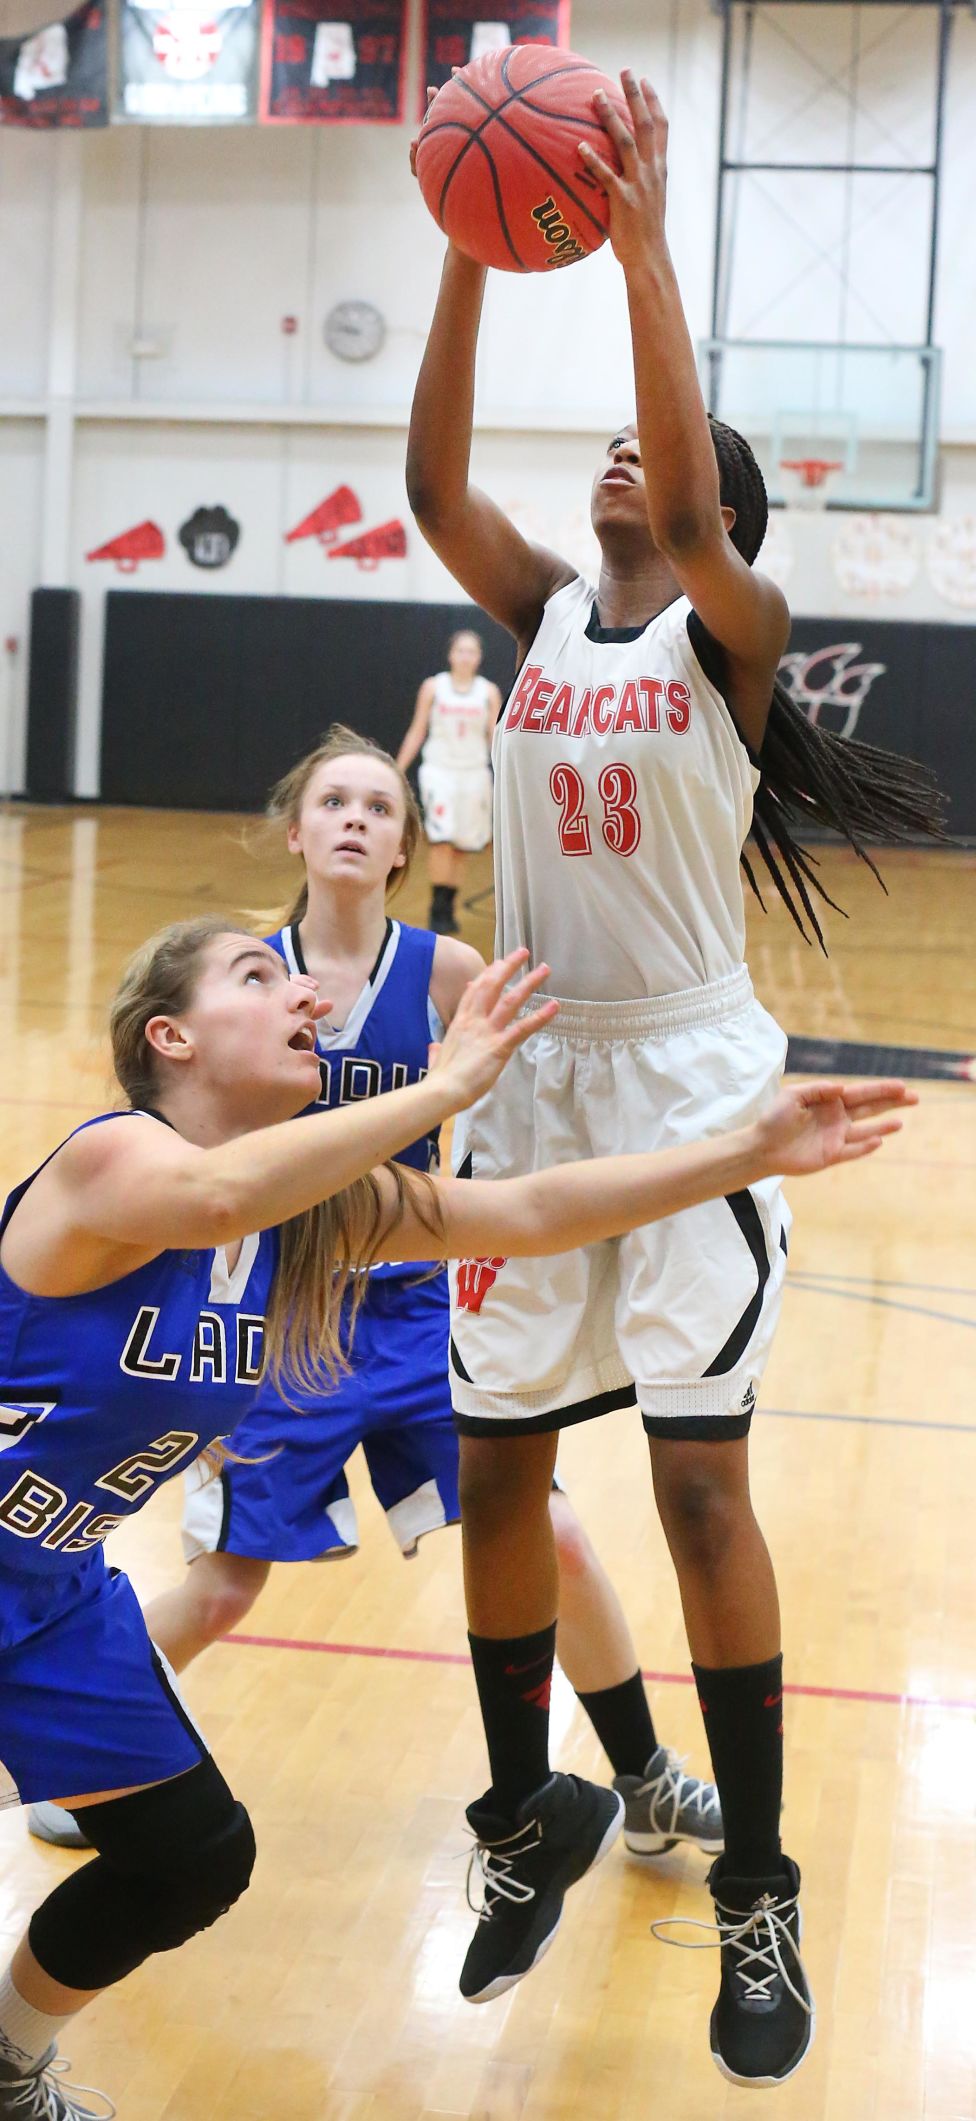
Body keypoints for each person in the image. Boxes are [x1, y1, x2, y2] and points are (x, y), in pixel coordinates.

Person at [0, 913, 909, 2117]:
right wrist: (443, 1083)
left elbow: (530, 1214)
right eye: (256, 977)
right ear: (169, 1036)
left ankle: (6, 2065)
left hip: (56, 1592)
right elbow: (215, 1195)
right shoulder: (112, 1161)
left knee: (191, 1856)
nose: (304, 1001)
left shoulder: (307, 1211)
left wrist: (746, 1151)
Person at [406, 70, 941, 2084]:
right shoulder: (539, 608)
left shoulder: (732, 621)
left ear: (705, 497)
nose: (621, 457)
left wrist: (635, 245)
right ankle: (522, 1810)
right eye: (613, 445)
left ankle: (761, 1882)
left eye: (656, 447)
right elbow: (430, 480)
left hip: (691, 1094)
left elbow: (702, 509)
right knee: (497, 1468)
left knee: (697, 1480)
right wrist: (469, 257)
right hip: (532, 1084)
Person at [31, 727, 722, 1864]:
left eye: (380, 806)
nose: (356, 819)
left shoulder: (444, 973)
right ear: (296, 832)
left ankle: (643, 1774)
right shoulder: (246, 985)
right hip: (274, 1319)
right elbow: (191, 1170)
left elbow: (530, 1105)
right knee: (223, 1587)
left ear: (407, 844)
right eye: (334, 802)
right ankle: (82, 1759)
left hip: (408, 1309)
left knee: (553, 1533)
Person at [396, 630, 501, 933]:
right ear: (450, 654)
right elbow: (418, 730)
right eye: (461, 650)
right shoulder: (434, 687)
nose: (466, 656)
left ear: (479, 657)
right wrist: (397, 769)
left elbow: (494, 736)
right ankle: (437, 908)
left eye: (472, 651)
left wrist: (505, 772)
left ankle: (449, 903)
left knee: (461, 844)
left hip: (474, 773)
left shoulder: (488, 692)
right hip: (440, 771)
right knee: (441, 839)